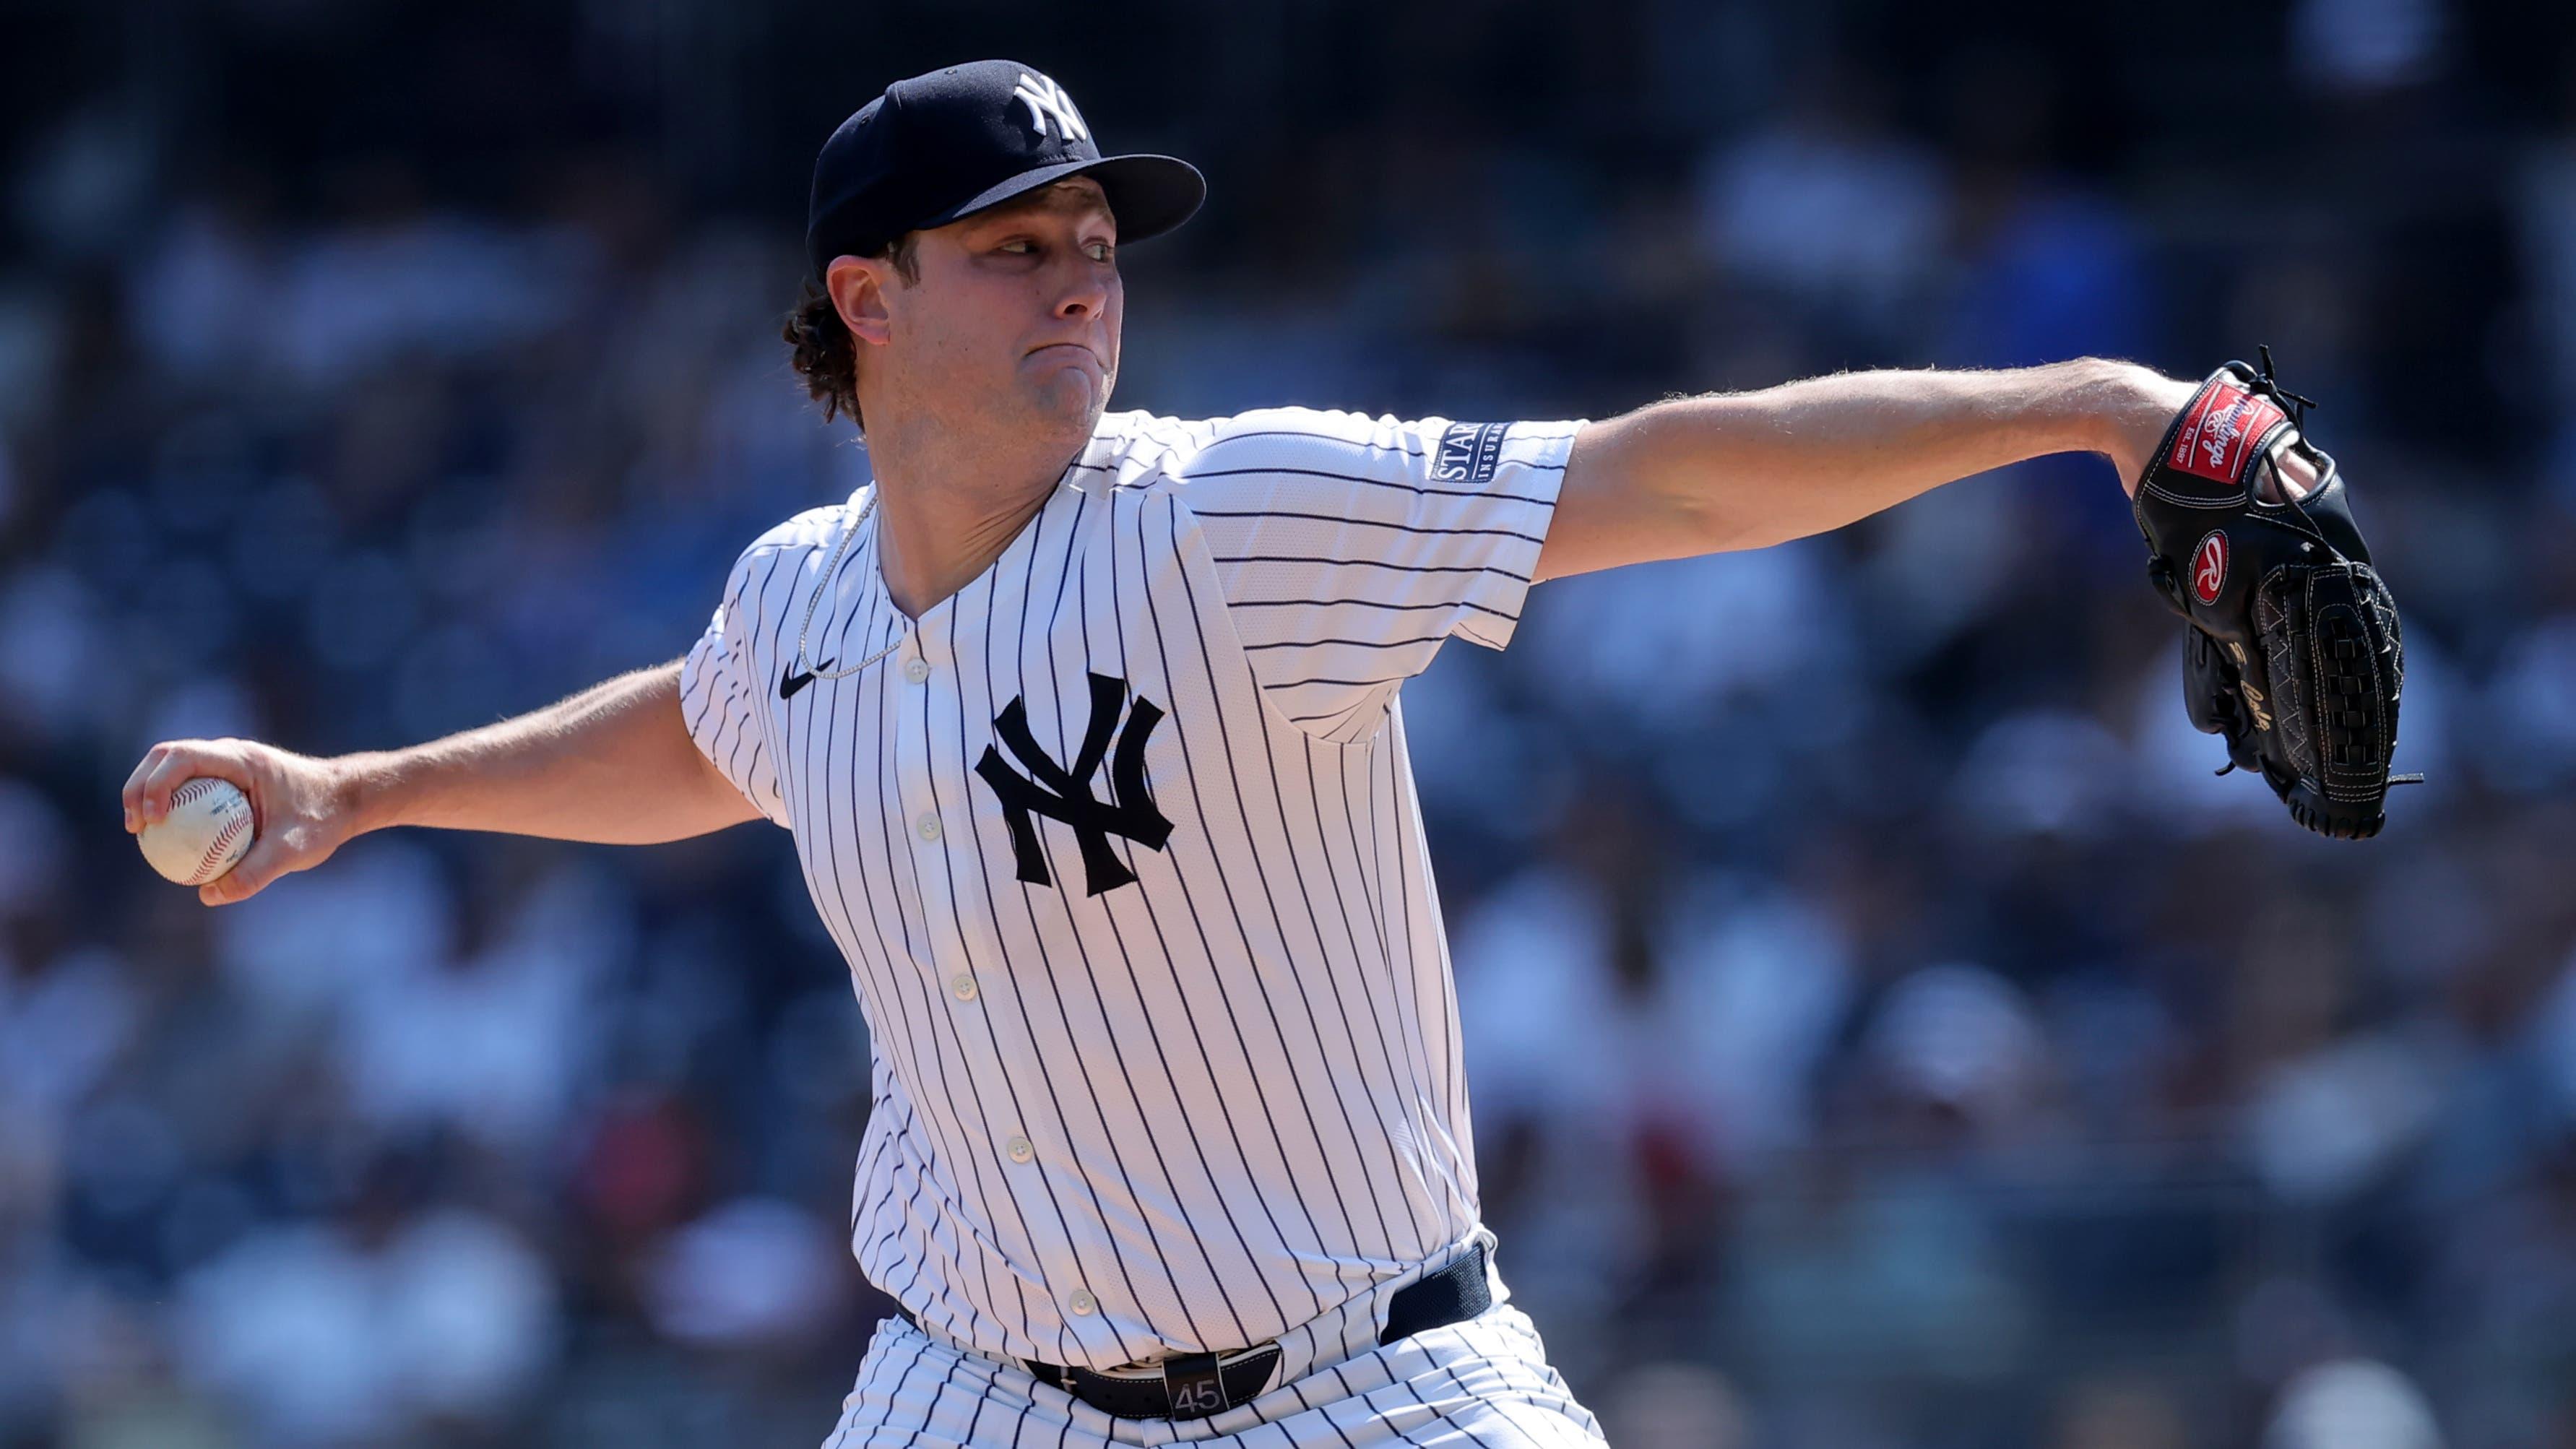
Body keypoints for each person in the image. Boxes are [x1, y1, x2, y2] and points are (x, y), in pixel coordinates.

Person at [121, 58, 2288, 1448]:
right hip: (981, 1396)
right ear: (864, 304)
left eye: (1096, 250)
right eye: (1019, 252)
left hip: (1378, 1382)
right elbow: (701, 738)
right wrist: (370, 791)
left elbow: (1668, 480)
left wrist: (2086, 406)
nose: (1084, 287)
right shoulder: (789, 599)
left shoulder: (1230, 515)